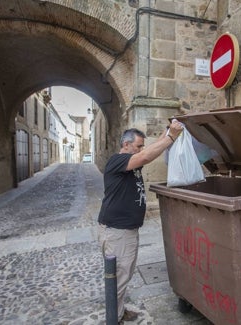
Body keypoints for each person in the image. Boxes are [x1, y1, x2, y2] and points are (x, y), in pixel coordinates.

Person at [97, 119, 184, 323]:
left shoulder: (131, 159)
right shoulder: (117, 161)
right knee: (118, 277)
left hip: (125, 230)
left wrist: (167, 133)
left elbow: (149, 152)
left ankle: (117, 311)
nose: (141, 150)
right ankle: (113, 318)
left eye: (142, 146)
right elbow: (146, 156)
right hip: (117, 232)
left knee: (122, 274)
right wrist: (171, 136)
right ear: (125, 145)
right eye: (138, 146)